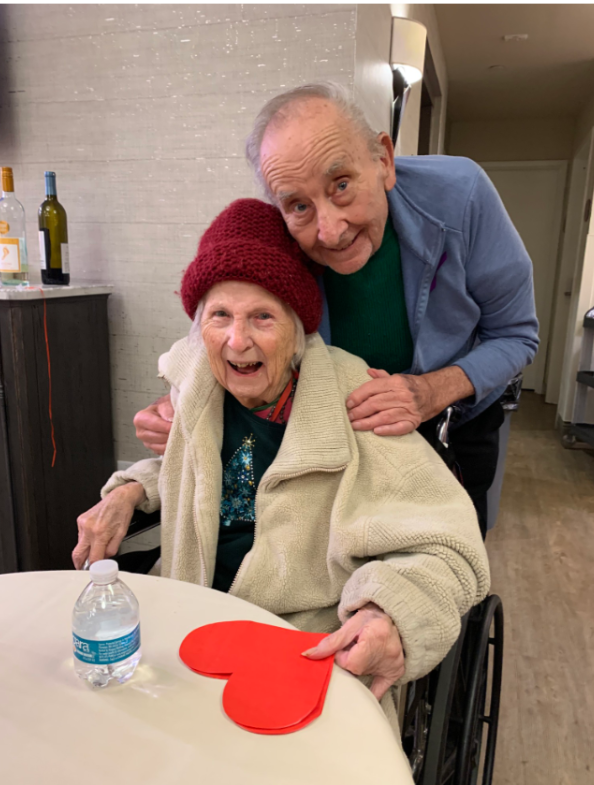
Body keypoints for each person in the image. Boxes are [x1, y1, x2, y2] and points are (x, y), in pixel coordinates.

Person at [74, 199, 490, 741]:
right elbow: (196, 469)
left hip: (298, 645)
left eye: (261, 317)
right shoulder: (199, 389)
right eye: (219, 315)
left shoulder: (355, 401)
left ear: (298, 327)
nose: (236, 340)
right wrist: (128, 491)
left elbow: (450, 546)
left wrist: (394, 609)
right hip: (183, 621)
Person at [134, 83, 539, 536]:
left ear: (383, 160)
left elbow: (516, 335)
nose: (329, 231)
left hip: (452, 422)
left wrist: (429, 391)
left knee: (450, 553)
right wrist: (184, 403)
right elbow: (232, 335)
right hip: (344, 437)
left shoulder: (461, 197)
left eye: (342, 186)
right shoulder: (279, 238)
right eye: (299, 205)